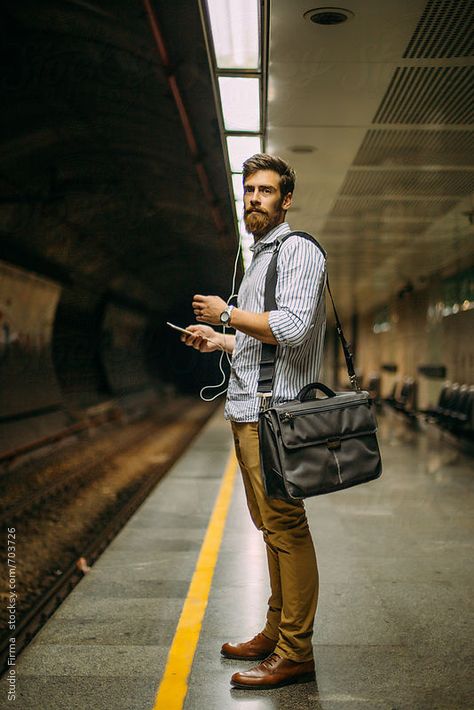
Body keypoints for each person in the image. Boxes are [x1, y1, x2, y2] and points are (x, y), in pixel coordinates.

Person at [181, 153, 326, 690]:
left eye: (265, 191)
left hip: (277, 416)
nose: (254, 200)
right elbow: (260, 335)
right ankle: (275, 631)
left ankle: (296, 651)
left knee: (288, 528)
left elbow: (290, 327)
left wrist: (226, 313)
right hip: (247, 412)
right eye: (249, 191)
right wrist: (223, 339)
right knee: (271, 530)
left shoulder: (298, 250)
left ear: (286, 199)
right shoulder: (259, 256)